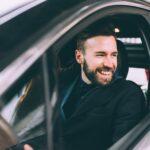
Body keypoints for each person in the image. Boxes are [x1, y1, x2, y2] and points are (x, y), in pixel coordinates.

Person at [23, 20, 146, 150]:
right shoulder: (62, 83)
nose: (110, 64)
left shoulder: (128, 94)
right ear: (79, 57)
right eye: (100, 55)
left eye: (114, 55)